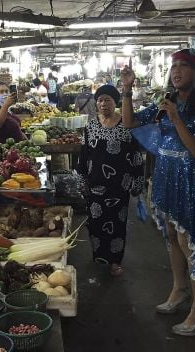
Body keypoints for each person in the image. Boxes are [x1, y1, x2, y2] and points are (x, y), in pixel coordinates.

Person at [122, 47, 195, 336]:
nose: (176, 71)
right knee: (170, 235)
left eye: (183, 66)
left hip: (193, 180)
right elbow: (129, 122)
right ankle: (179, 289)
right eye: (173, 66)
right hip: (167, 176)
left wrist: (177, 118)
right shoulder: (167, 101)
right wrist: (127, 90)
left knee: (189, 239)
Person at [77, 84, 144, 277]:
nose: (103, 104)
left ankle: (115, 261)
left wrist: (137, 182)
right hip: (95, 184)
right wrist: (82, 179)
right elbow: (84, 154)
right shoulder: (91, 126)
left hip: (119, 186)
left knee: (117, 224)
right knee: (96, 223)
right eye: (99, 100)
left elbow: (136, 156)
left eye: (107, 100)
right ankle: (100, 256)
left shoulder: (126, 125)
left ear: (116, 102)